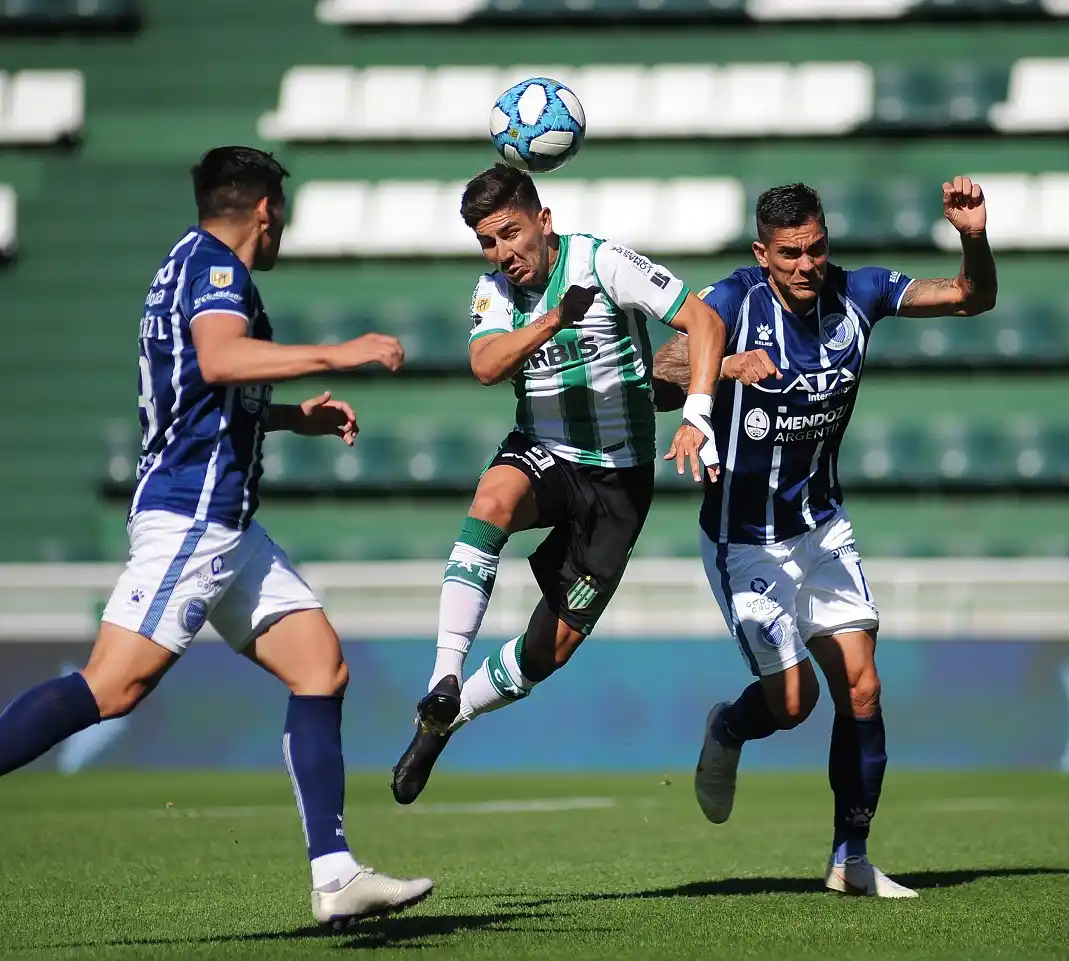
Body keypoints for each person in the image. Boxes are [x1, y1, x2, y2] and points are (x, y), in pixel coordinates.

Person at [0, 146, 433, 928]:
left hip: (225, 522)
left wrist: (291, 417)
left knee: (320, 665)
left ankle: (335, 874)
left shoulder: (183, 263)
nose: (282, 227)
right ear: (266, 209)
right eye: (282, 212)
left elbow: (199, 391)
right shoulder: (218, 271)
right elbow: (221, 357)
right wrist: (340, 352)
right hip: (193, 518)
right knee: (112, 685)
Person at [651, 178, 997, 897]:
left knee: (863, 688)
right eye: (789, 254)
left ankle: (851, 858)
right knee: (792, 701)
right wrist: (725, 365)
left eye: (815, 248)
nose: (806, 264)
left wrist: (972, 237)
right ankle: (727, 729)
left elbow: (971, 296)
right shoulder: (733, 301)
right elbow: (661, 367)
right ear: (763, 254)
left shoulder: (858, 292)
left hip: (821, 525)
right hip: (744, 538)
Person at [391, 163, 725, 804]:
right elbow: (485, 364)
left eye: (511, 234)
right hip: (544, 450)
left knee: (554, 646)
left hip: (619, 480)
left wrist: (697, 415)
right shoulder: (494, 290)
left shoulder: (603, 263)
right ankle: (443, 677)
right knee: (491, 501)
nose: (502, 253)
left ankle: (445, 721)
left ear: (544, 221)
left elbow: (704, 323)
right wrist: (554, 321)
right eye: (488, 242)